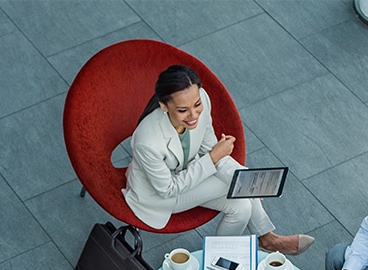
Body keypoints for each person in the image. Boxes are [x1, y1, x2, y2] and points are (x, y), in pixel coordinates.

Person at [122, 65, 314, 254]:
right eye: (183, 110)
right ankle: (268, 239)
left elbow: (209, 150)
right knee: (239, 189)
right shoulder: (147, 141)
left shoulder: (202, 99)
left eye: (197, 105)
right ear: (164, 106)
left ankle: (218, 260)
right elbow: (168, 189)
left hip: (189, 172)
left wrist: (245, 176)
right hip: (158, 195)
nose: (194, 115)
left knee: (242, 207)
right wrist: (238, 176)